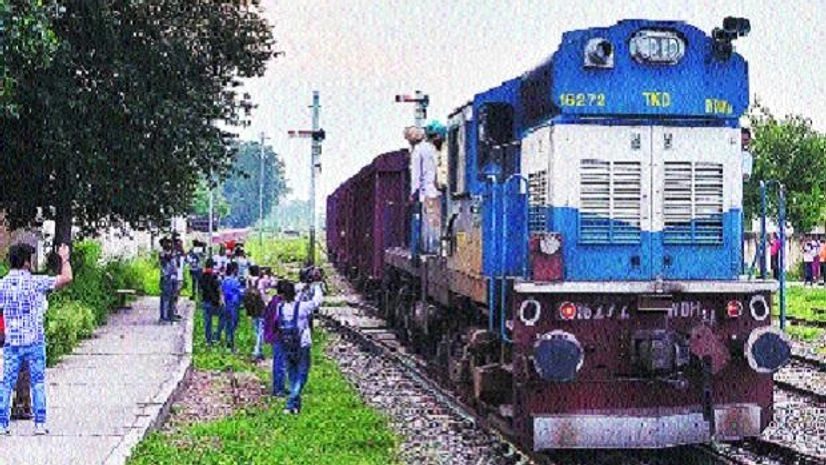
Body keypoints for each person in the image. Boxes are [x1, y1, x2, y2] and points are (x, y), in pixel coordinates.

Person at [0, 242, 73, 435]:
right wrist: (64, 258)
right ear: (25, 261)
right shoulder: (36, 282)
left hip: (12, 343)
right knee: (38, 382)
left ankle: (2, 423)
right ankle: (40, 423)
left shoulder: (3, 284)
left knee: (6, 383)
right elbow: (67, 278)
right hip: (34, 341)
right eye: (31, 258)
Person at [275, 280, 323, 414]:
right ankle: (291, 402)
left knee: (292, 375)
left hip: (287, 344)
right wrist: (317, 287)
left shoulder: (280, 308)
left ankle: (295, 407)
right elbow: (317, 301)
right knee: (302, 375)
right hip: (302, 344)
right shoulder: (302, 307)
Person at [407, 125, 440, 255]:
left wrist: (413, 193)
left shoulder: (418, 151)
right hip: (437, 189)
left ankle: (428, 249)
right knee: (436, 222)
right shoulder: (432, 148)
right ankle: (436, 247)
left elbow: (416, 175)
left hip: (426, 191)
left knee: (428, 224)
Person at [263, 280, 286, 397]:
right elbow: (277, 321)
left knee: (280, 362)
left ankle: (280, 386)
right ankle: (278, 389)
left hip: (274, 335)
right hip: (279, 336)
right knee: (280, 363)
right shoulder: (279, 304)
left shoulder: (273, 301)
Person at [219, 261, 243, 353]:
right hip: (234, 304)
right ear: (234, 270)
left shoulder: (224, 280)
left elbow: (221, 291)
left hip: (226, 304)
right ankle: (232, 345)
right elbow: (240, 293)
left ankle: (227, 342)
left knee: (227, 324)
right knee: (233, 324)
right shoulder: (235, 281)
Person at [199, 259, 223, 346]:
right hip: (214, 302)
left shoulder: (202, 276)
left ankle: (208, 340)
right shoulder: (214, 277)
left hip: (205, 301)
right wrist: (219, 300)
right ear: (212, 267)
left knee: (207, 322)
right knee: (223, 316)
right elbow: (218, 289)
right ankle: (216, 335)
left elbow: (200, 289)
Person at [158, 238, 180, 323]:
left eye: (170, 243)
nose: (169, 245)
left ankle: (171, 315)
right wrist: (172, 252)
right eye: (167, 243)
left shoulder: (173, 253)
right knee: (165, 298)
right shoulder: (162, 253)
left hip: (173, 277)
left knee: (173, 297)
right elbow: (167, 259)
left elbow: (176, 262)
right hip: (166, 277)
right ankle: (164, 316)